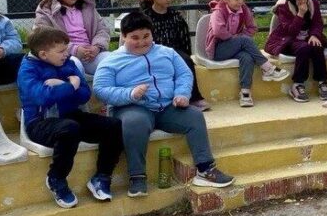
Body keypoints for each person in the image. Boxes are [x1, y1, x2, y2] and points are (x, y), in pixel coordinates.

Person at [94, 12, 234, 197]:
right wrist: (130, 94)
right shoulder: (111, 61)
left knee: (194, 116)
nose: (142, 42)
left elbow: (184, 74)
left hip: (167, 107)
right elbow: (101, 89)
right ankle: (137, 176)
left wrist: (182, 94)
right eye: (135, 38)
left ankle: (205, 169)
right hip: (133, 107)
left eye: (146, 36)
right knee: (135, 122)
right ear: (124, 37)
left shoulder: (167, 53)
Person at [18, 27, 123, 208]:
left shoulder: (68, 63)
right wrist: (70, 85)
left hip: (70, 116)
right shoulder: (28, 69)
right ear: (43, 54)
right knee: (69, 128)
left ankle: (102, 176)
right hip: (40, 122)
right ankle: (56, 178)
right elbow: (43, 97)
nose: (66, 54)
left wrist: (62, 85)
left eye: (66, 49)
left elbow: (85, 94)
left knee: (113, 125)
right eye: (61, 51)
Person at [206, 0, 290, 107]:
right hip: (218, 50)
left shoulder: (243, 9)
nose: (240, 1)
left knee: (247, 57)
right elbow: (218, 31)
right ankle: (268, 68)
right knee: (244, 40)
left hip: (235, 48)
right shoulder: (218, 11)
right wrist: (236, 38)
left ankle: (245, 92)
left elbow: (252, 27)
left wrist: (239, 38)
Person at [139, 0, 208, 110]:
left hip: (174, 52)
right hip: (153, 52)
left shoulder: (176, 17)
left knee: (186, 61)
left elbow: (184, 40)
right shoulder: (145, 17)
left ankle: (194, 97)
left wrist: (184, 54)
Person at [265, 0, 327, 103]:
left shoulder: (313, 4)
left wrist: (314, 35)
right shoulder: (283, 8)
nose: (303, 1)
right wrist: (300, 14)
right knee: (304, 48)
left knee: (317, 46)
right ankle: (297, 84)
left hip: (308, 37)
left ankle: (322, 80)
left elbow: (317, 23)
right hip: (289, 40)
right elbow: (291, 31)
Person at [34, 0, 111, 75]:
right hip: (64, 55)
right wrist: (74, 49)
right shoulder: (46, 9)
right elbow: (45, 37)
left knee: (112, 61)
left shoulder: (87, 6)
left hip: (90, 55)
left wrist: (97, 47)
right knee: (74, 65)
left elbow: (102, 29)